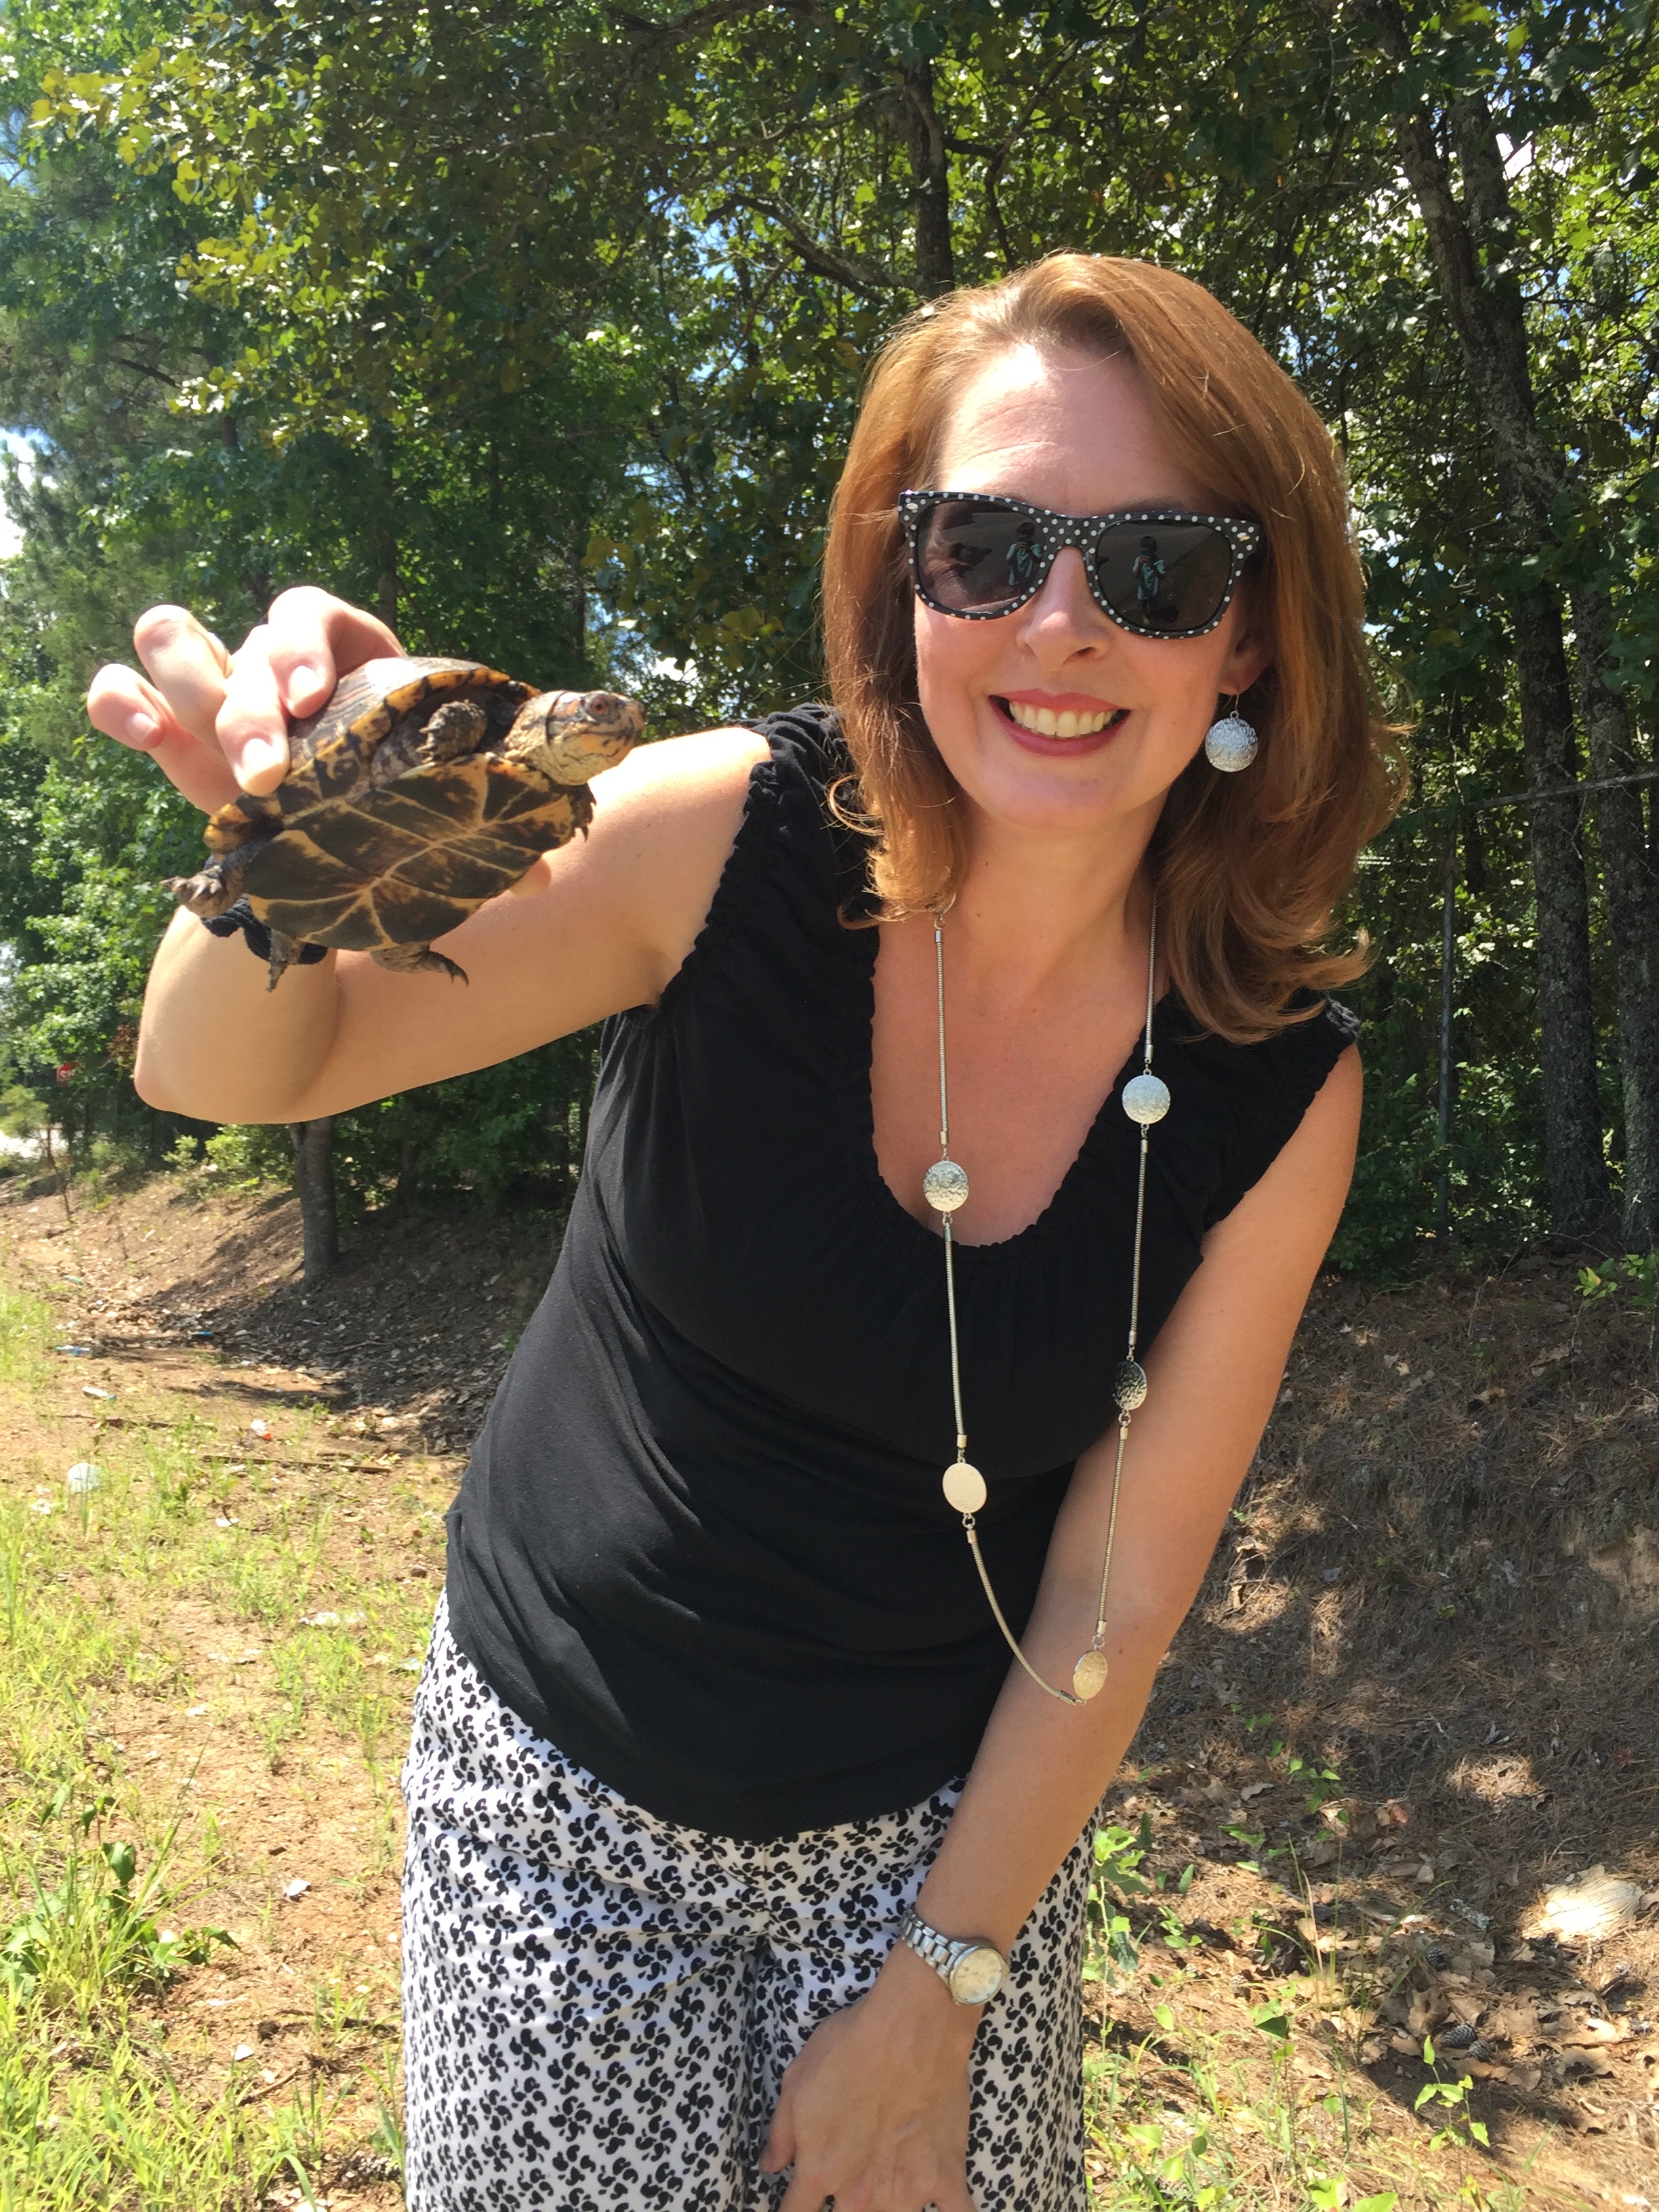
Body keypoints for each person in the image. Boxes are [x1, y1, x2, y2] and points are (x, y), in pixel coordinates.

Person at [88, 253, 1391, 2212]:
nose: (1060, 621)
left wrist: (936, 1994)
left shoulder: (1278, 1086)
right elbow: (229, 1070)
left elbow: (1111, 1604)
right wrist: (284, 856)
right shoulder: (712, 840)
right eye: (985, 546)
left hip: (950, 1850)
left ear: (1254, 644)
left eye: (1161, 569)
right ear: (905, 583)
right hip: (564, 1798)